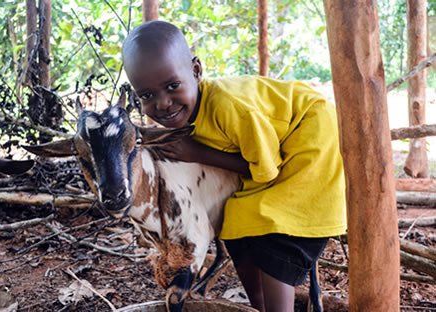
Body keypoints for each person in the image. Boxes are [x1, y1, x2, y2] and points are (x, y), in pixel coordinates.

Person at [122, 20, 347, 312]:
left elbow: (266, 169)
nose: (163, 103)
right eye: (147, 96)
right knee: (236, 224)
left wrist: (196, 152)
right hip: (275, 153)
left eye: (172, 86)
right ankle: (260, 306)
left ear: (196, 71)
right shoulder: (185, 119)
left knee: (277, 230)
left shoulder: (229, 107)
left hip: (310, 138)